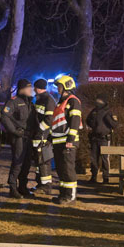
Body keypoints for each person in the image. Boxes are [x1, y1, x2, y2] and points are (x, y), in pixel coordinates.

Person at [1, 79, 36, 198]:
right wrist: (14, 131)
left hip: (28, 137)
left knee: (26, 163)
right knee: (17, 163)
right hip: (18, 137)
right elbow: (5, 116)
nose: (31, 90)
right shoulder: (14, 101)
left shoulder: (30, 102)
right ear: (22, 89)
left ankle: (22, 187)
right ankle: (12, 187)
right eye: (28, 88)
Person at [50, 75, 82, 205]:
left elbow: (74, 121)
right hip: (58, 141)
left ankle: (71, 197)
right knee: (61, 169)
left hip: (68, 141)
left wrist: (70, 139)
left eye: (59, 86)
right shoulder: (61, 101)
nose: (57, 88)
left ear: (65, 86)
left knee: (68, 169)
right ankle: (63, 195)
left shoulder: (73, 101)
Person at [85, 95, 118, 184]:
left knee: (105, 159)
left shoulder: (108, 112)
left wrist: (108, 120)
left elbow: (115, 124)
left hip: (104, 139)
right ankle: (94, 177)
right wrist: (93, 125)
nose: (97, 102)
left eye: (99, 100)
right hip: (95, 138)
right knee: (94, 159)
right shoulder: (94, 111)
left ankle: (106, 178)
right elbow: (88, 120)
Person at [32, 78, 55, 195]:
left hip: (44, 136)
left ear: (36, 88)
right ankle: (40, 183)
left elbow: (49, 119)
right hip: (39, 136)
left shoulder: (48, 100)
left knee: (43, 161)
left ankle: (46, 186)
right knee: (38, 161)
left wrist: (39, 129)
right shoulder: (40, 99)